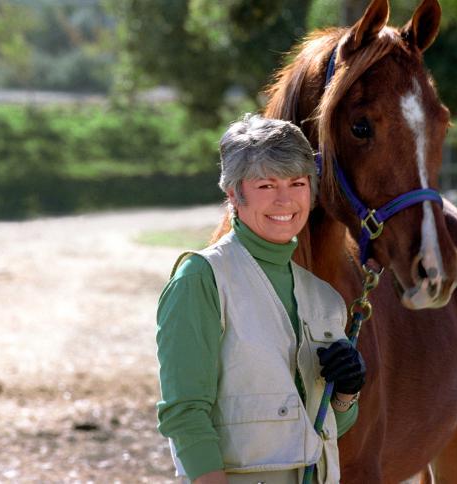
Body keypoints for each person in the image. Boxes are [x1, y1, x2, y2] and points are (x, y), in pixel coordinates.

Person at [156, 114, 366, 484]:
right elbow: (184, 412)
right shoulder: (201, 279)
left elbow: (330, 426)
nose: (285, 199)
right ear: (234, 193)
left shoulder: (326, 299)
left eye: (297, 183)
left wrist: (346, 394)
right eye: (266, 185)